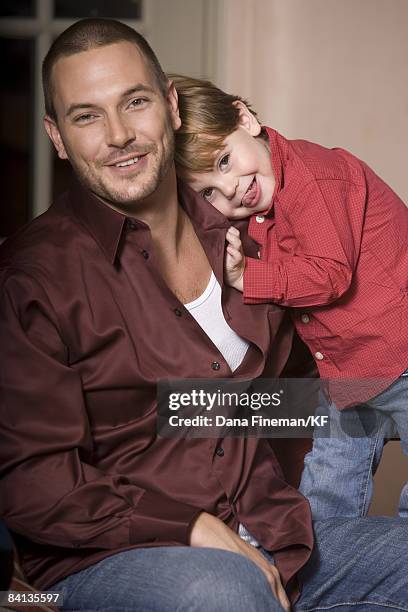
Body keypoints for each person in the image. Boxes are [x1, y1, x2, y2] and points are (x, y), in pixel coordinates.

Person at [0, 18, 407, 612]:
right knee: (224, 590)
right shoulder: (31, 278)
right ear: (56, 136)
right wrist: (190, 525)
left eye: (134, 102)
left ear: (170, 105)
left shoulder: (250, 238)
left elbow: (280, 397)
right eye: (86, 115)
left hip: (267, 538)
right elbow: (32, 483)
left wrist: (376, 409)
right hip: (113, 558)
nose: (118, 135)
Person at [172, 74, 408, 521]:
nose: (231, 190)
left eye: (224, 161)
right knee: (327, 489)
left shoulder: (314, 177)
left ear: (245, 117)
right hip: (350, 369)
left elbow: (328, 277)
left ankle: (389, 578)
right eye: (208, 193)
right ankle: (310, 575)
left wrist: (245, 274)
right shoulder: (261, 211)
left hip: (402, 349)